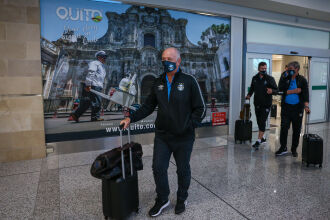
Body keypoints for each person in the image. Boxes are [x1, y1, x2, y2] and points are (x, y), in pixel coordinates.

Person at [120, 47, 205, 217]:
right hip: (163, 135)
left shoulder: (189, 81)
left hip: (184, 136)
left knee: (182, 169)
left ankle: (181, 198)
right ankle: (163, 199)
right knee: (158, 167)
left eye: (170, 59)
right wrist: (131, 118)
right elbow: (148, 106)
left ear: (178, 61)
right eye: (164, 59)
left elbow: (200, 108)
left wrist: (190, 125)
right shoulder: (158, 82)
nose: (166, 62)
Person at [276, 61, 310, 157]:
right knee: (284, 128)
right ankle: (283, 147)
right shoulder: (285, 77)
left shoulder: (302, 80)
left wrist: (306, 106)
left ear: (297, 69)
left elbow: (305, 94)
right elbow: (280, 90)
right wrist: (294, 91)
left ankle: (294, 149)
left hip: (297, 108)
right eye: (288, 68)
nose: (290, 70)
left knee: (296, 130)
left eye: (292, 69)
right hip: (286, 107)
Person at [246, 62, 278, 149]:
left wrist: (272, 91)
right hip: (257, 103)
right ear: (258, 69)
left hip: (266, 104)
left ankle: (258, 141)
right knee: (259, 121)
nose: (264, 70)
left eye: (265, 68)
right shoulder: (255, 78)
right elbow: (252, 88)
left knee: (262, 121)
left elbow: (276, 89)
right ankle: (263, 138)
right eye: (262, 68)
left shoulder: (269, 78)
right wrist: (249, 95)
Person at [70, 51, 107, 122]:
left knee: (87, 102)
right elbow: (91, 73)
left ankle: (76, 115)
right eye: (103, 57)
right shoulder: (95, 63)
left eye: (105, 57)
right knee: (97, 101)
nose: (105, 59)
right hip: (94, 85)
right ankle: (95, 117)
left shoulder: (102, 66)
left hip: (97, 85)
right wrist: (88, 84)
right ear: (99, 57)